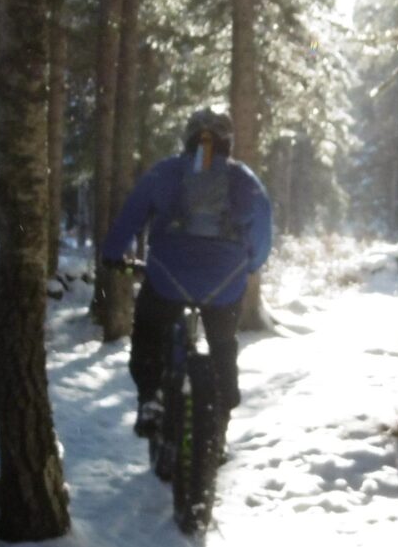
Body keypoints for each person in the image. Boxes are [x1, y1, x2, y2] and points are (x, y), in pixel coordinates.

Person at [100, 106, 273, 447]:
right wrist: (249, 265)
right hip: (224, 282)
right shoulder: (245, 180)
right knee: (223, 343)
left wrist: (113, 254)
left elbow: (131, 216)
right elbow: (263, 231)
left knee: (149, 330)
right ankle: (222, 414)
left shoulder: (165, 172)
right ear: (229, 142)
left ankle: (150, 396)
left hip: (167, 276)